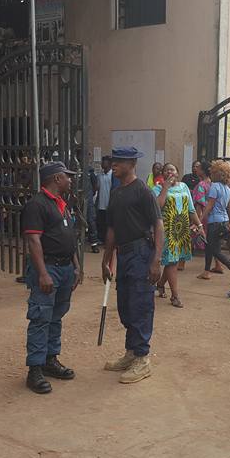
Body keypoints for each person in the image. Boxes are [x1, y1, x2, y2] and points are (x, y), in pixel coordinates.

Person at [100, 146, 164, 384]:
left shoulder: (143, 191)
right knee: (126, 305)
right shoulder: (116, 193)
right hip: (124, 254)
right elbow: (112, 230)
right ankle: (131, 353)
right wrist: (107, 260)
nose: (113, 164)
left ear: (131, 163)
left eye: (118, 161)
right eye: (113, 160)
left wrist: (156, 260)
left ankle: (142, 359)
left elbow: (158, 225)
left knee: (140, 304)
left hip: (140, 253)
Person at [21, 161, 84, 394]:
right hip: (49, 269)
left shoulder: (62, 204)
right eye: (67, 176)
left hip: (66, 268)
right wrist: (43, 273)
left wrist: (76, 266)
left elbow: (70, 238)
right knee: (41, 317)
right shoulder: (37, 205)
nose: (70, 180)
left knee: (56, 316)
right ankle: (35, 369)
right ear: (56, 179)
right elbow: (33, 241)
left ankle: (50, 360)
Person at [154, 163, 201, 308]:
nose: (169, 172)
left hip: (181, 230)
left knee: (172, 261)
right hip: (166, 231)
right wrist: (165, 188)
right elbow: (156, 208)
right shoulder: (157, 188)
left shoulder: (184, 187)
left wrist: (199, 226)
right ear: (163, 174)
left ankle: (161, 284)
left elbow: (191, 209)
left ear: (177, 172)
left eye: (172, 169)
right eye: (166, 170)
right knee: (172, 262)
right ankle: (175, 296)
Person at [197, 160, 230, 283]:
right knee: (210, 246)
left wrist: (200, 220)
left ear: (216, 174)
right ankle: (206, 271)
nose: (210, 174)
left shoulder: (214, 187)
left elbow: (209, 206)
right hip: (224, 221)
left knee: (213, 249)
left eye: (212, 172)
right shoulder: (228, 189)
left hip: (214, 222)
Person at [96, 155, 114, 241]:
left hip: (109, 204)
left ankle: (108, 241)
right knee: (101, 223)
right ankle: (102, 239)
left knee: (108, 224)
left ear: (109, 164)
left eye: (104, 162)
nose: (102, 164)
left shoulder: (113, 175)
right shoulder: (100, 175)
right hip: (101, 204)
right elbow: (98, 188)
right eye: (102, 162)